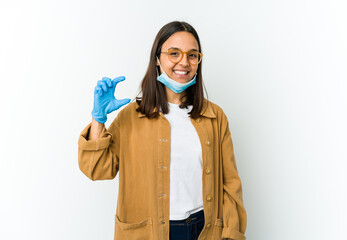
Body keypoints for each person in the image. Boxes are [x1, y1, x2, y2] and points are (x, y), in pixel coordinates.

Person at [78, 21, 247, 240]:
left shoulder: (214, 116)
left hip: (204, 229)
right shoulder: (132, 116)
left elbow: (230, 184)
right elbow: (97, 170)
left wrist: (231, 234)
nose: (183, 62)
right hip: (149, 232)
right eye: (173, 53)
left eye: (192, 55)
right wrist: (98, 119)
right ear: (157, 59)